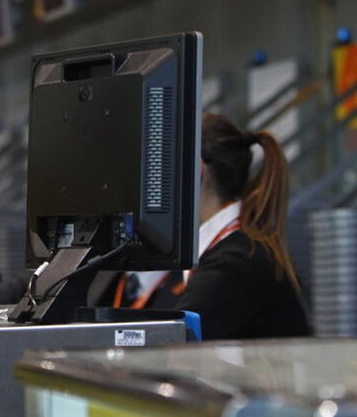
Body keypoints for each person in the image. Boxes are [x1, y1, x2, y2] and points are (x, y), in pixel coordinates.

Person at [107, 112, 311, 339]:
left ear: (195, 171)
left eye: (157, 170)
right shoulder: (221, 253)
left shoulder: (233, 264)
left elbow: (170, 350)